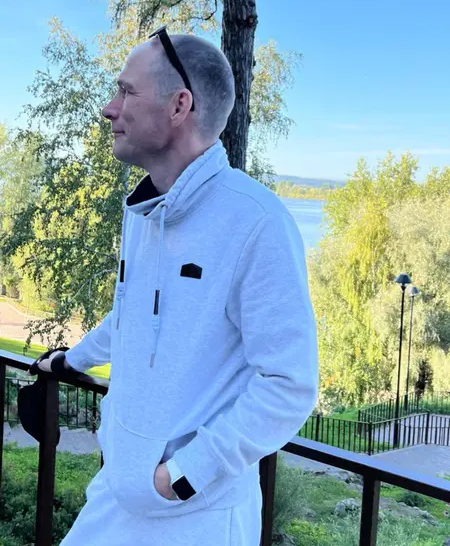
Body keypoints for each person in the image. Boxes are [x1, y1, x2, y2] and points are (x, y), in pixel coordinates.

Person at [37, 27, 319, 545]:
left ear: (178, 105)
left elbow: (289, 384)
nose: (109, 108)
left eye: (126, 92)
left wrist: (183, 475)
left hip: (196, 517)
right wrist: (70, 360)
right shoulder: (145, 212)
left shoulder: (257, 222)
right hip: (116, 495)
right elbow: (130, 314)